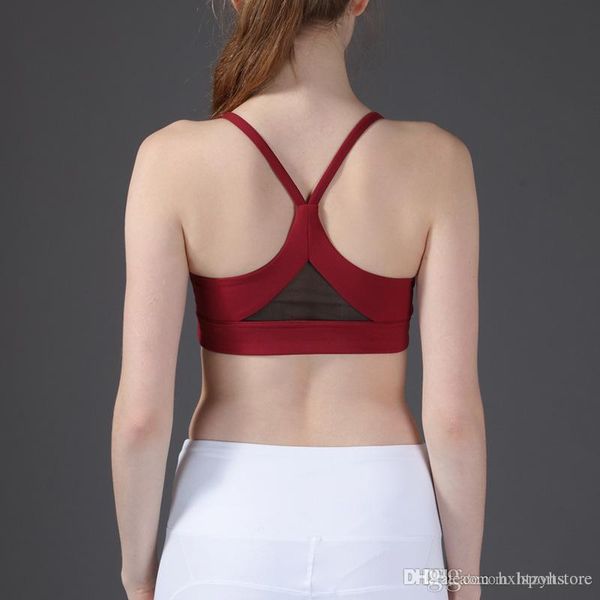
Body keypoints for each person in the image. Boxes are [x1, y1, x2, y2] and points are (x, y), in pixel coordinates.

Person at [111, 1, 486, 599]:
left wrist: (138, 576)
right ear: (358, 0)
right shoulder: (436, 161)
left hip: (226, 520)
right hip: (383, 518)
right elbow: (455, 419)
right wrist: (465, 586)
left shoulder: (171, 160)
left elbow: (141, 419)